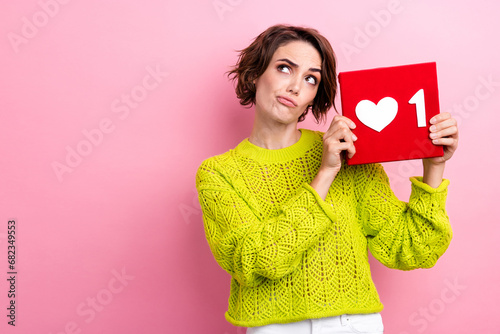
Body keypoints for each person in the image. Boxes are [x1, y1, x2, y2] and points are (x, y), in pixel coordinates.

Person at [195, 24, 458, 334]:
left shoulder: (350, 155)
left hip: (353, 325)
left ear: (314, 96)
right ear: (254, 74)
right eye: (284, 68)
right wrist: (325, 173)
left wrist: (434, 166)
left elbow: (412, 249)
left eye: (310, 79)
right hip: (273, 328)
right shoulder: (218, 173)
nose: (295, 86)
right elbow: (253, 261)